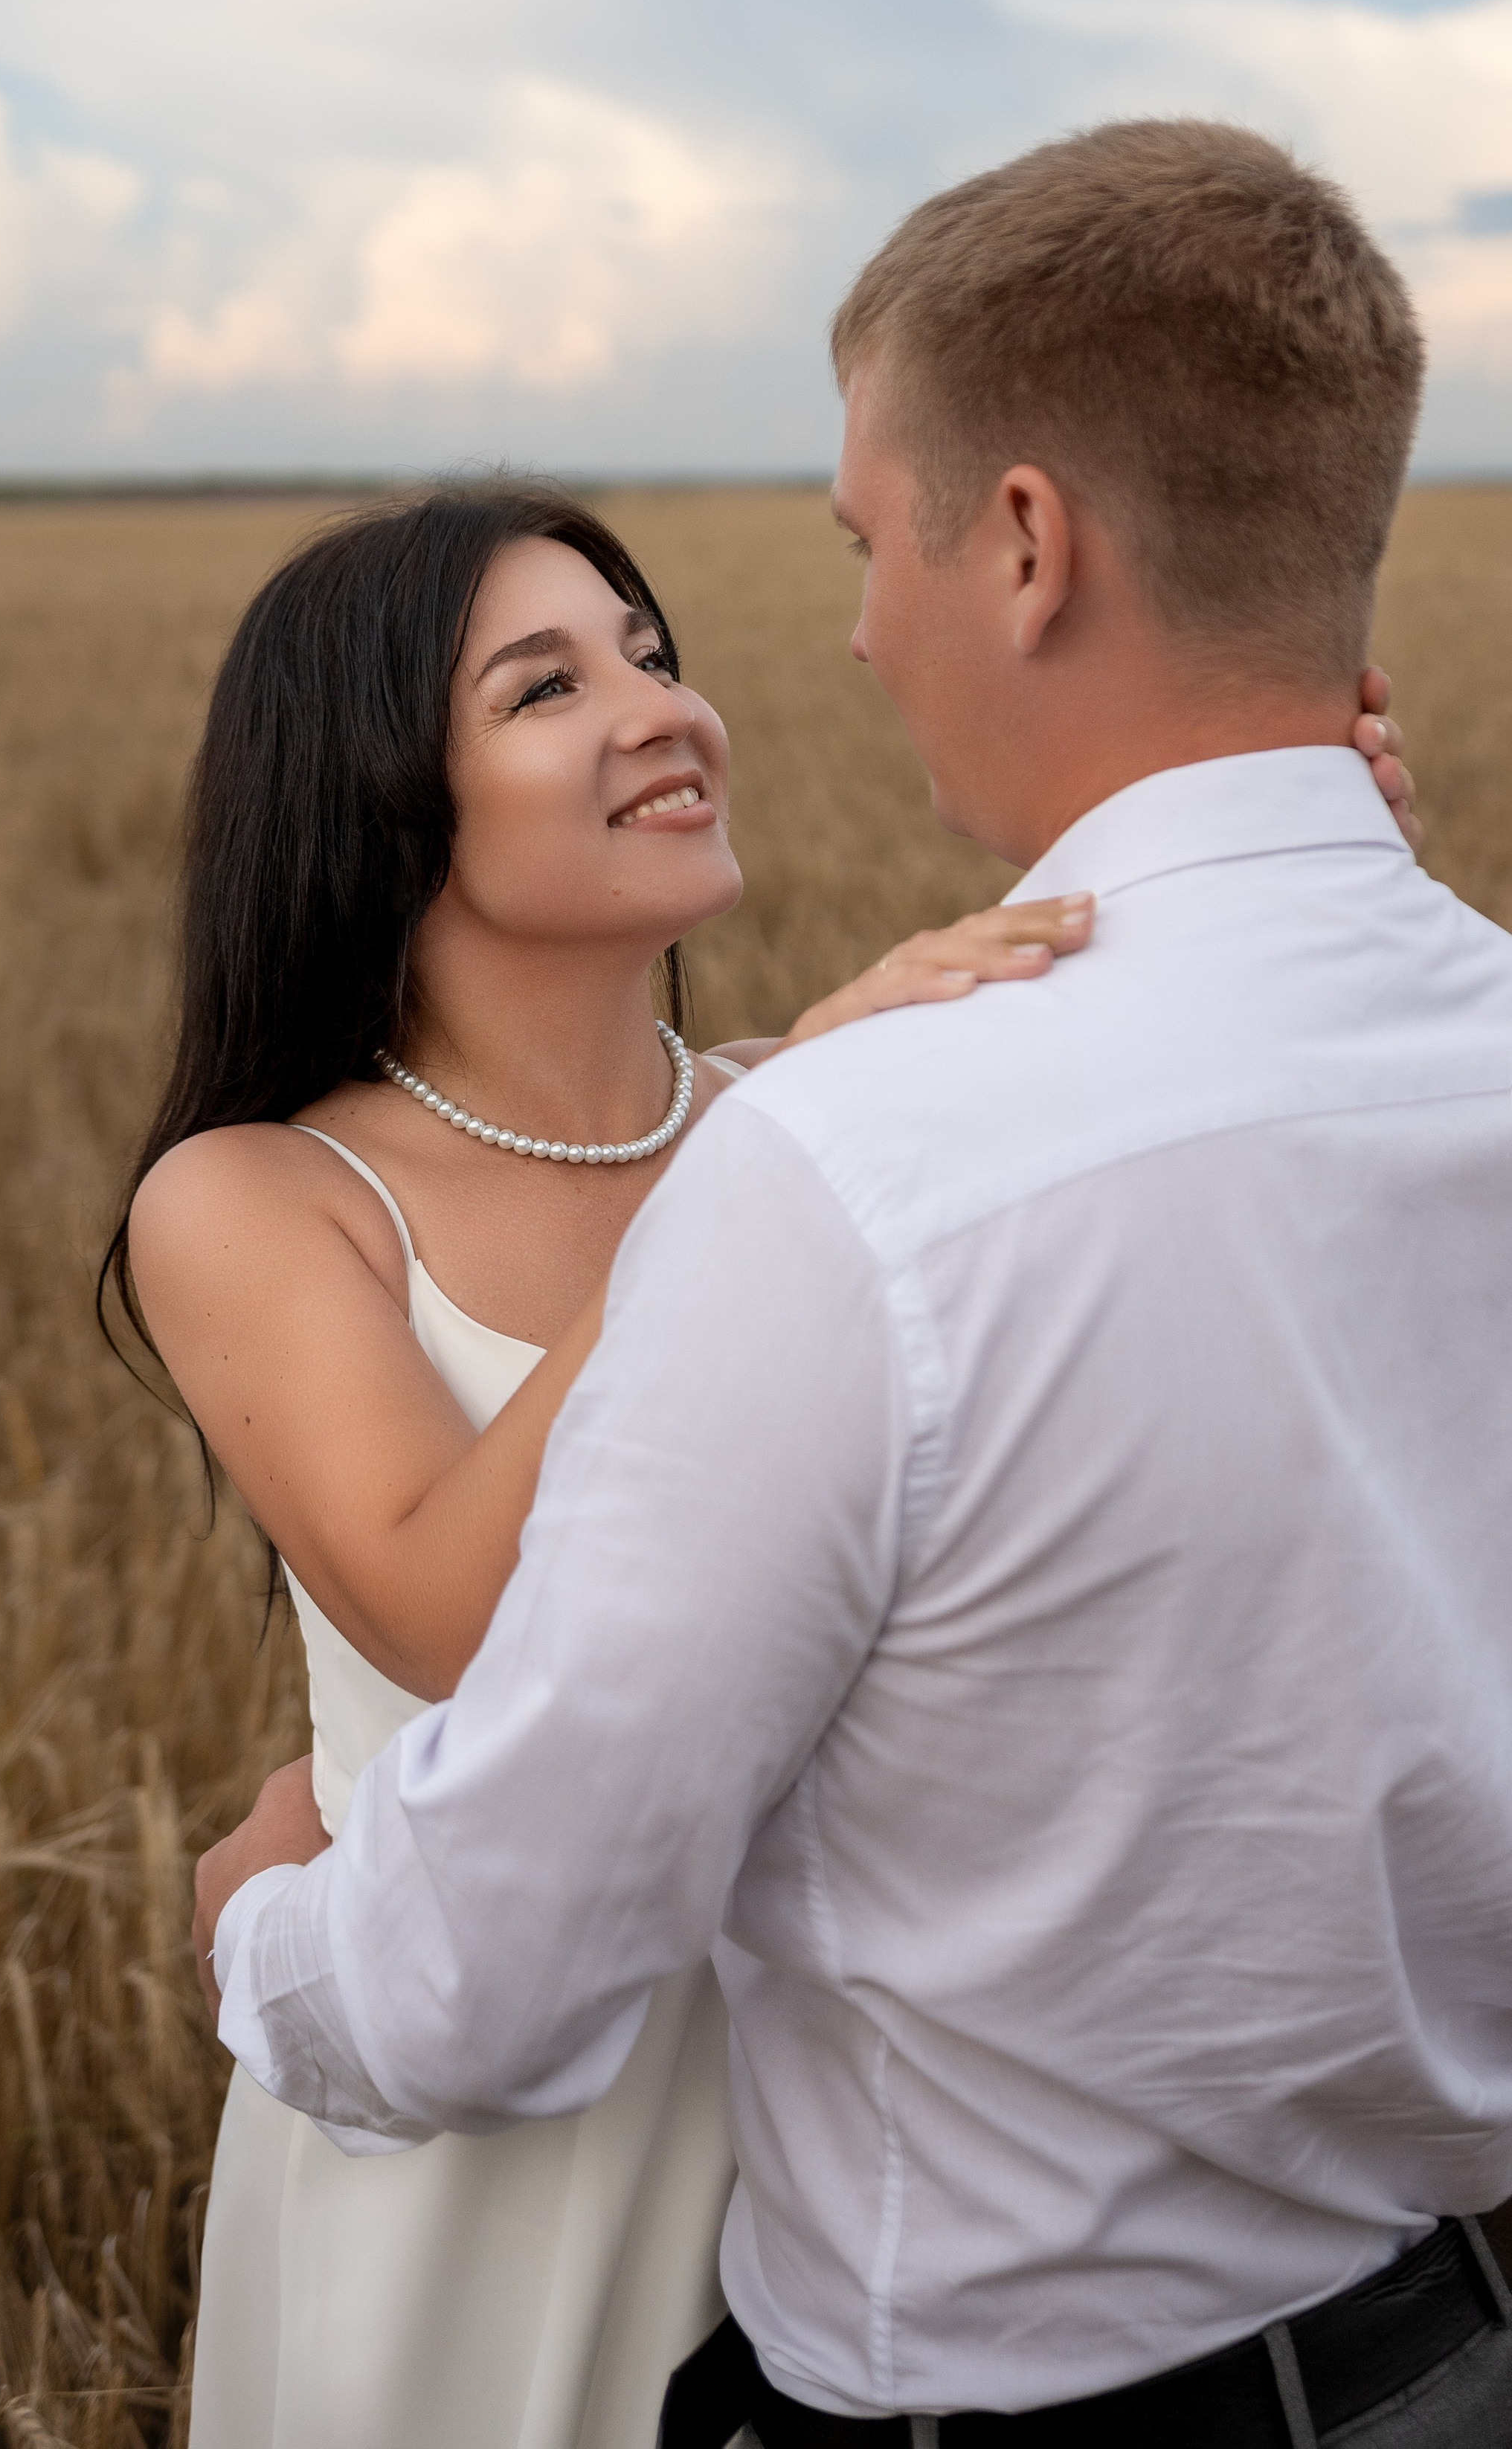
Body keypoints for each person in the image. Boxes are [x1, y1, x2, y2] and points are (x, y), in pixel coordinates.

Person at [199, 121, 1512, 2449]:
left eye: (849, 544)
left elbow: (464, 1985)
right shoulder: (891, 1116)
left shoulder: (847, 1158)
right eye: (543, 686)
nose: (825, 642)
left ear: (1022, 543)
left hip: (918, 2301)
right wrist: (1296, 873)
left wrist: (254, 1922)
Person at [111, 479, 1135, 2449]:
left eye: (654, 656)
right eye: (546, 685)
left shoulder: (798, 1110)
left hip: (835, 2131)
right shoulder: (258, 1195)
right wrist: (764, 1165)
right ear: (381, 790)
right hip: (467, 2134)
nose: (662, 708)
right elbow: (454, 1608)